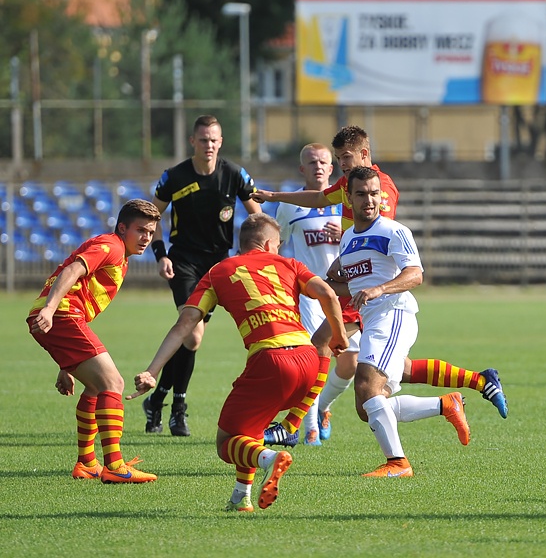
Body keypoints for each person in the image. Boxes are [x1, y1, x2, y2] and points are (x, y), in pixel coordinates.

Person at [253, 126, 507, 448]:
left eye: (346, 158)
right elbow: (319, 199)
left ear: (364, 154)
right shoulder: (348, 184)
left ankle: (297, 425)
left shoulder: (377, 188)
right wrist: (273, 197)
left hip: (373, 290)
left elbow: (379, 237)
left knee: (324, 350)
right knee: (393, 375)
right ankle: (471, 385)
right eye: (339, 159)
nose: (342, 165)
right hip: (360, 285)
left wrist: (357, 272)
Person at [129, 213, 349, 512]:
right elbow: (327, 294)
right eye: (279, 244)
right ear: (271, 243)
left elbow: (186, 324)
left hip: (271, 360)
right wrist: (338, 336)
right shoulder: (289, 264)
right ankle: (240, 497)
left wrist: (152, 371)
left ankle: (271, 458)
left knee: (226, 443)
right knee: (251, 428)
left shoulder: (218, 271)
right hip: (309, 358)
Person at [332, 166, 469, 477]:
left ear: (382, 197)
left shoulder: (394, 231)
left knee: (367, 387)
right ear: (349, 198)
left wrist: (381, 288)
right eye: (361, 194)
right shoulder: (348, 238)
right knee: (366, 407)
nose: (369, 200)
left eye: (374, 193)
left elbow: (415, 274)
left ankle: (398, 463)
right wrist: (321, 284)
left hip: (394, 314)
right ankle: (445, 404)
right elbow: (351, 285)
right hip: (372, 321)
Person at [27, 199, 161, 484]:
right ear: (123, 228)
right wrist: (50, 310)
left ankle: (87, 463)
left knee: (94, 386)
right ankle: (115, 465)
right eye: (141, 230)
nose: (146, 238)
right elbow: (72, 271)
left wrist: (66, 365)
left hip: (63, 319)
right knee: (113, 384)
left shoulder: (120, 255)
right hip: (61, 316)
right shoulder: (111, 246)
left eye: (150, 232)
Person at [145, 114, 261, 437]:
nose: (208, 145)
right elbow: (152, 216)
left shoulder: (234, 175)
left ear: (220, 142)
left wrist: (250, 254)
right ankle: (177, 409)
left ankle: (157, 400)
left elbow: (258, 218)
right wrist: (160, 254)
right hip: (182, 262)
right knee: (192, 334)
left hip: (216, 265)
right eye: (203, 139)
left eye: (214, 140)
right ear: (192, 142)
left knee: (189, 338)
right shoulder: (175, 177)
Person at [272, 142, 359, 446]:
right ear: (302, 169)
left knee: (349, 363)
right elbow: (277, 246)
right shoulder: (289, 205)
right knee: (313, 358)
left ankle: (323, 407)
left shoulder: (348, 202)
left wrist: (347, 235)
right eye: (312, 163)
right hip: (309, 295)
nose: (318, 167)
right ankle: (308, 430)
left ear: (332, 168)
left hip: (345, 294)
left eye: (323, 162)